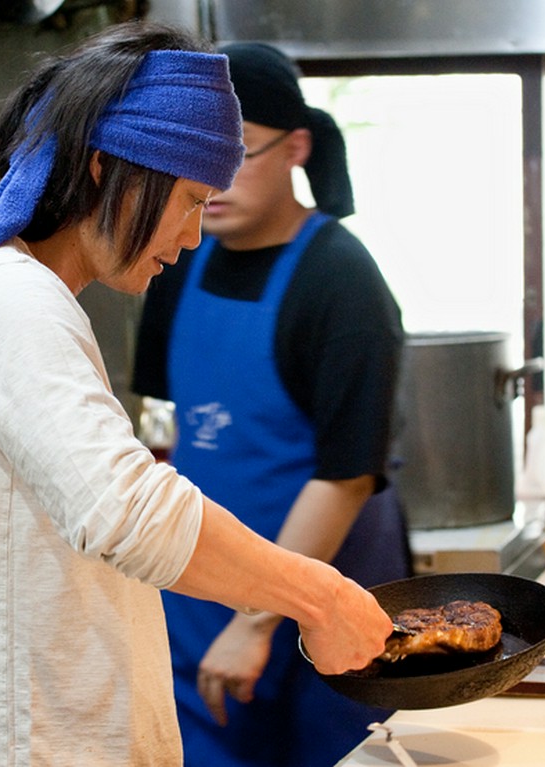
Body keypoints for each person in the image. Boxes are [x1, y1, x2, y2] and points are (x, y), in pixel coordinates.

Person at [0, 22, 393, 767]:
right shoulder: (4, 296)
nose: (192, 236)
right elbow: (127, 507)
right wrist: (317, 596)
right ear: (100, 169)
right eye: (187, 200)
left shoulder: (26, 295)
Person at [132, 42, 410, 767]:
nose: (212, 181)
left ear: (296, 148)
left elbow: (345, 474)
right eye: (197, 158)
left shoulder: (342, 281)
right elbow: (162, 424)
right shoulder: (178, 257)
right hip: (198, 604)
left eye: (239, 153)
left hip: (328, 607)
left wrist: (257, 621)